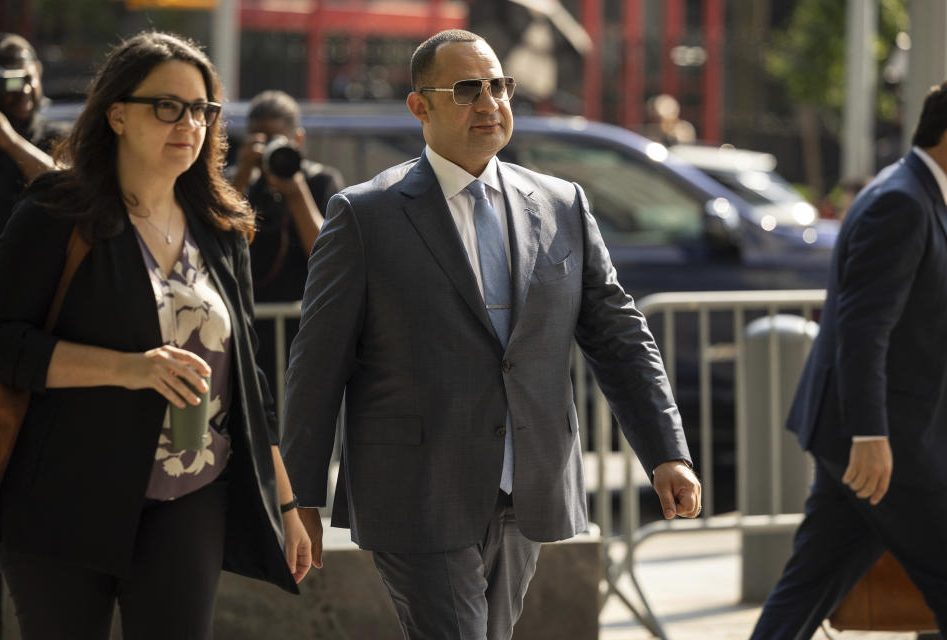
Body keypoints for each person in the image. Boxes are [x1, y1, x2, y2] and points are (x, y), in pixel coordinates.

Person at [281, 29, 701, 640]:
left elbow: (619, 335)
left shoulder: (561, 204)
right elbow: (316, 365)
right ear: (419, 107)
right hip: (416, 492)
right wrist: (301, 499)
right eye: (467, 89)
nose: (490, 104)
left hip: (526, 487)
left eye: (499, 87)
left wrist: (667, 451)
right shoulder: (365, 216)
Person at [0, 31, 317, 640]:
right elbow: (0, 342)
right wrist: (128, 368)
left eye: (201, 110)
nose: (188, 123)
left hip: (191, 495)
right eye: (168, 106)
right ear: (116, 113)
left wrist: (288, 505)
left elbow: (249, 379)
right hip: (64, 493)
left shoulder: (221, 226)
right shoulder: (56, 212)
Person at [749, 82, 947, 638]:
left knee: (809, 587)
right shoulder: (902, 202)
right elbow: (864, 329)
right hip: (885, 446)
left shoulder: (917, 195)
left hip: (870, 441)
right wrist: (869, 435)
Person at [230, 90, 344, 394]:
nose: (270, 149)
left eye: (278, 140)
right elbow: (214, 240)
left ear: (298, 139)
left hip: (301, 329)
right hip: (248, 327)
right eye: (261, 140)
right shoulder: (237, 183)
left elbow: (328, 253)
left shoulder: (320, 180)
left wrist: (296, 192)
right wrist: (241, 176)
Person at [0, 32, 60, 257]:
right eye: (12, 80)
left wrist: (12, 143)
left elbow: (73, 192)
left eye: (29, 78)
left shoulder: (57, 137)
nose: (25, 90)